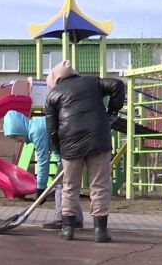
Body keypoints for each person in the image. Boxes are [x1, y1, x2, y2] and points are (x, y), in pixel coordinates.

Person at [45, 60, 125, 242]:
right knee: (100, 185)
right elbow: (117, 85)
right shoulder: (93, 82)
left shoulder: (53, 95)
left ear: (55, 80)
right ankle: (100, 231)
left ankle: (67, 230)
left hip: (70, 144)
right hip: (99, 138)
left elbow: (52, 129)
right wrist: (112, 112)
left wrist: (61, 150)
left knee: (70, 186)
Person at [2, 110, 84, 230]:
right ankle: (76, 219)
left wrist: (41, 187)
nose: (17, 141)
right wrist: (60, 161)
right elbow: (56, 146)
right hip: (70, 149)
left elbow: (43, 160)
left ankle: (61, 219)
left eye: (15, 137)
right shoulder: (37, 125)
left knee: (60, 186)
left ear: (19, 129)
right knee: (68, 184)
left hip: (74, 148)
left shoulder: (36, 130)